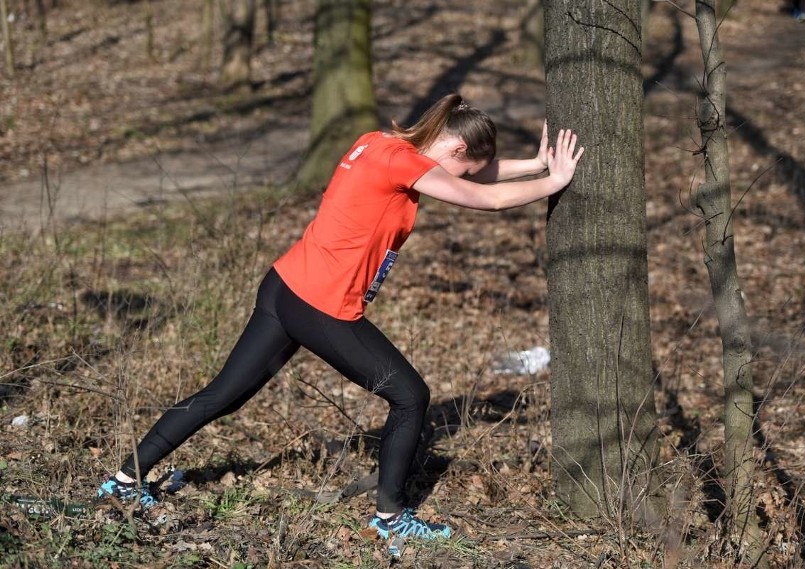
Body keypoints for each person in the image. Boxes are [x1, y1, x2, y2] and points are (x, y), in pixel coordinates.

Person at [96, 93, 584, 543]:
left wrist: (536, 163)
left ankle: (122, 481)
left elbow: (472, 176)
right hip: (320, 304)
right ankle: (392, 520)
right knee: (411, 396)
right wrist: (554, 182)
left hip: (284, 286)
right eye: (465, 167)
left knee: (222, 395)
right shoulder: (404, 163)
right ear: (455, 146)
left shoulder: (380, 142)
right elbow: (487, 197)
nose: (463, 177)